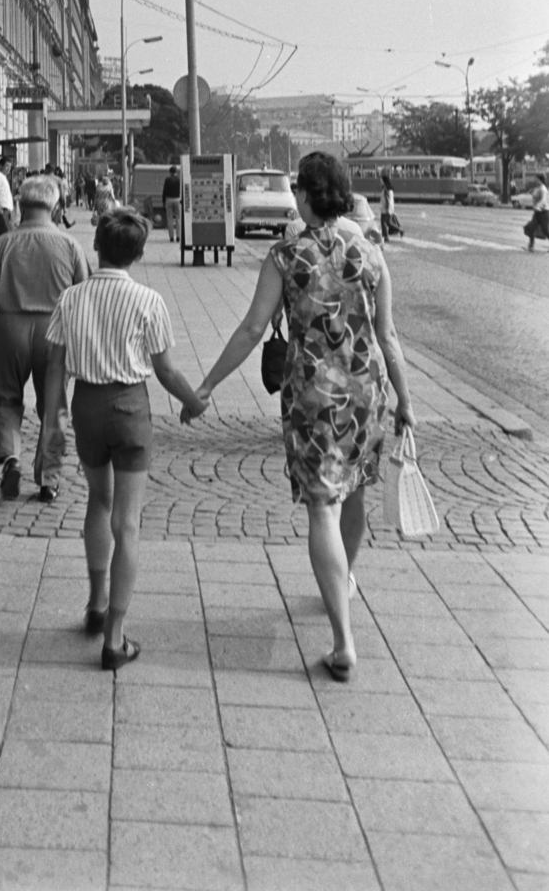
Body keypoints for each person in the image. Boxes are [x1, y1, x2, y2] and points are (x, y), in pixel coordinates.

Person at [185, 152, 416, 682]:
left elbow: (250, 330)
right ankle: (345, 581)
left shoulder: (286, 255)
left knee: (321, 509)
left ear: (306, 195)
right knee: (353, 490)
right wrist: (406, 400)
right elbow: (389, 337)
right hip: (366, 394)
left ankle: (343, 642)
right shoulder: (371, 253)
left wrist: (208, 384)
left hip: (311, 399)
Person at [43, 207, 202, 670]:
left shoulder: (70, 298)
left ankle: (95, 602)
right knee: (128, 524)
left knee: (99, 500)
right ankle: (114, 636)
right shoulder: (149, 301)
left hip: (87, 407)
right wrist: (193, 402)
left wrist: (52, 418)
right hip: (131, 410)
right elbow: (165, 370)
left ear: (96, 246)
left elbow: (54, 362)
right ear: (139, 253)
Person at [0, 174, 89, 503]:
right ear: (55, 208)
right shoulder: (69, 245)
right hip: (54, 331)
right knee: (53, 406)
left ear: (21, 205)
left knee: (5, 398)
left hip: (10, 328)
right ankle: (48, 480)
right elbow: (83, 292)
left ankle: (10, 456)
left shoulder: (3, 243)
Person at [524, 174, 549, 251]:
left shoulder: (543, 189)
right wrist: (531, 192)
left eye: (536, 179)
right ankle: (531, 246)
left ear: (540, 180)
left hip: (543, 212)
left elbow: (544, 200)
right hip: (537, 213)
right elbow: (535, 195)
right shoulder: (537, 188)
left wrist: (538, 206)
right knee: (531, 228)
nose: (535, 180)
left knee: (545, 230)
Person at [380, 170, 403, 243]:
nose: (380, 182)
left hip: (386, 209)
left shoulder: (385, 189)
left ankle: (386, 237)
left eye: (381, 181)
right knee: (389, 222)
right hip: (391, 208)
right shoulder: (390, 189)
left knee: (383, 222)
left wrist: (386, 209)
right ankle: (400, 230)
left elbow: (386, 200)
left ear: (384, 181)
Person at [162, 165, 182, 243]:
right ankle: (178, 236)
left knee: (169, 219)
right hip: (177, 200)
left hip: (169, 200)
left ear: (170, 172)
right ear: (176, 172)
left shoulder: (167, 179)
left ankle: (171, 237)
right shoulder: (179, 180)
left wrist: (163, 202)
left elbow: (164, 191)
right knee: (178, 219)